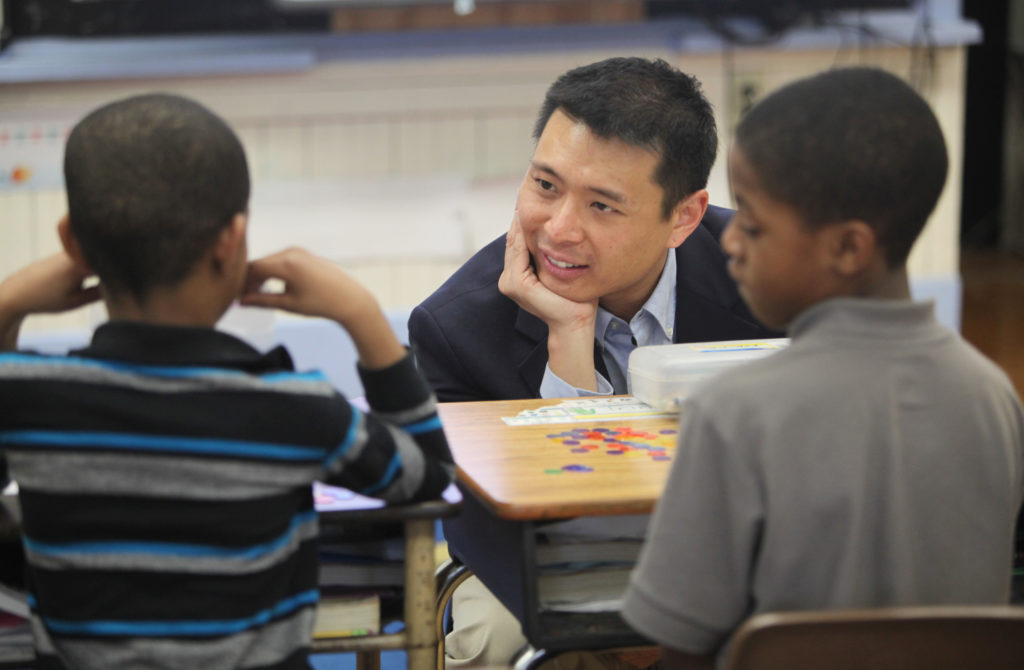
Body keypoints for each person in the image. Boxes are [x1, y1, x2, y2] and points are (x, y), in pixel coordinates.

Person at [0, 93, 454, 670]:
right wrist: (360, 314)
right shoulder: (293, 407)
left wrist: (7, 302)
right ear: (231, 240)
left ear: (72, 244)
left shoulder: (28, 397)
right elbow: (428, 474)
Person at [621, 66, 1024, 669]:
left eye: (752, 225)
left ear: (848, 248)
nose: (729, 242)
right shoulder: (993, 395)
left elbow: (677, 643)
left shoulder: (734, 410)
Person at [409, 57, 776, 669]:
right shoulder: (457, 327)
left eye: (602, 206)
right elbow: (479, 528)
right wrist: (570, 343)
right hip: (537, 553)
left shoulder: (764, 277)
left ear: (683, 216)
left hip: (738, 544)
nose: (558, 229)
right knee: (494, 642)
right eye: (545, 186)